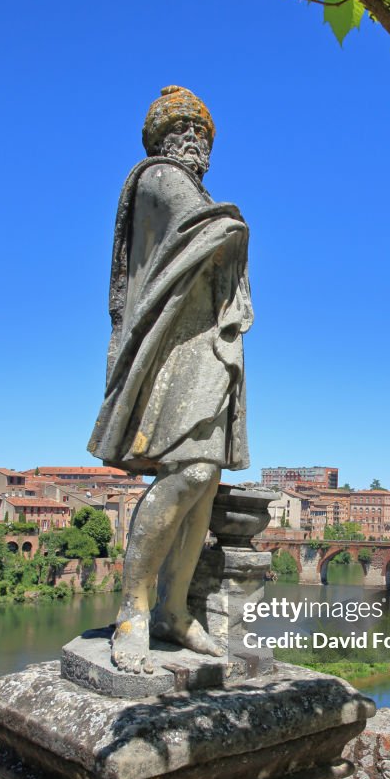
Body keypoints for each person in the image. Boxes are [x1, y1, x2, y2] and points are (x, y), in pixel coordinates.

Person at [88, 86, 253, 674]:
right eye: (187, 134)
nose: (196, 145)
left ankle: (173, 611)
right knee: (190, 473)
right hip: (174, 347)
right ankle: (135, 609)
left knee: (204, 481)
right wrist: (232, 224)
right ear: (165, 138)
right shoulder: (157, 176)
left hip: (204, 341)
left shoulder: (192, 185)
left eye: (202, 136)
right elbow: (204, 228)